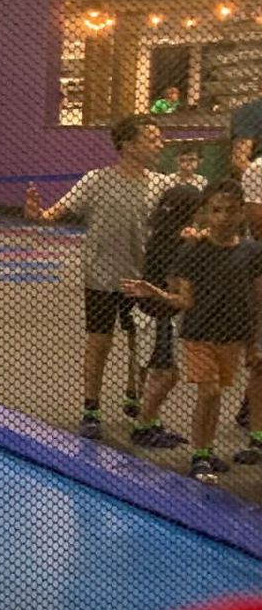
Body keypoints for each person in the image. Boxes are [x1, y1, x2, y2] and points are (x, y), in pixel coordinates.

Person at [25, 114, 166, 439]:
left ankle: (134, 393)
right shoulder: (96, 180)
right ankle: (91, 407)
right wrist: (39, 214)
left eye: (159, 138)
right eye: (151, 139)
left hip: (141, 279)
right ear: (127, 145)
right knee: (100, 341)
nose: (159, 144)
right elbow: (54, 213)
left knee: (139, 341)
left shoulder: (161, 184)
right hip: (101, 277)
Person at [125, 180, 262, 482]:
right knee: (209, 391)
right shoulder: (192, 251)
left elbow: (257, 299)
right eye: (216, 210)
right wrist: (155, 292)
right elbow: (184, 300)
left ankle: (207, 450)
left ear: (242, 212)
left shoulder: (252, 252)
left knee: (216, 395)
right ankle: (199, 456)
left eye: (231, 211)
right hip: (198, 334)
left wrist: (253, 343)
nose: (223, 218)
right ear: (205, 213)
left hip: (233, 336)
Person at [122, 183, 203, 450]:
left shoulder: (164, 234)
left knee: (160, 371)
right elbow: (174, 285)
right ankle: (143, 426)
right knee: (167, 374)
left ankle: (152, 421)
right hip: (159, 314)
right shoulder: (175, 242)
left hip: (155, 311)